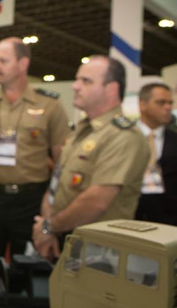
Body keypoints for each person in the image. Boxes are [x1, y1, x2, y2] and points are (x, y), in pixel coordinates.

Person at [33, 56, 150, 261]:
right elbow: (56, 182)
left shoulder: (123, 136)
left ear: (112, 89)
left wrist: (48, 227)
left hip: (98, 253)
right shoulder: (82, 131)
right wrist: (48, 226)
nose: (76, 86)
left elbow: (97, 201)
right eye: (77, 80)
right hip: (63, 238)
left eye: (86, 81)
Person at [0, 37, 70, 258]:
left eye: (3, 61)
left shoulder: (50, 105)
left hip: (30, 202)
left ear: (23, 64)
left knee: (28, 270)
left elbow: (62, 159)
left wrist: (51, 201)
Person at [135, 83, 177, 225]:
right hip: (130, 218)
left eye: (170, 103)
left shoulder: (174, 140)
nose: (168, 107)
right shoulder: (125, 138)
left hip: (168, 222)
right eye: (161, 102)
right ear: (142, 105)